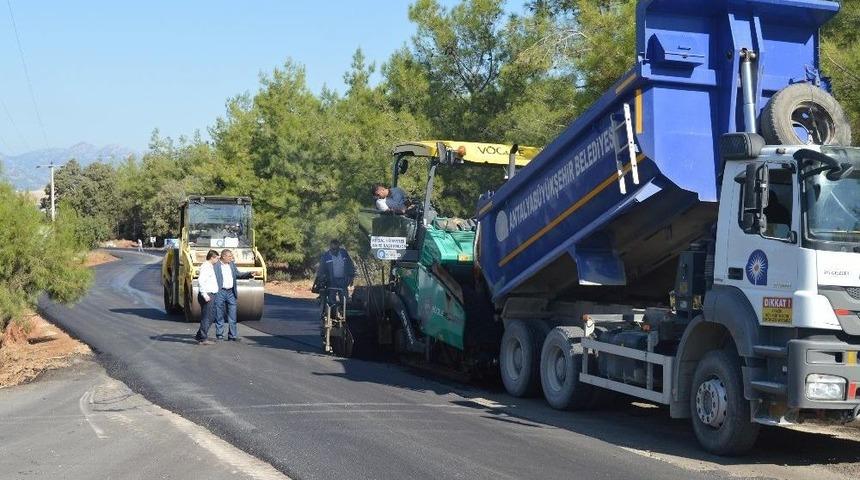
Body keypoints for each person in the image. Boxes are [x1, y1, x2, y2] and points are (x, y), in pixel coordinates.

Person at [213, 249, 255, 341]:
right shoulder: (216, 265)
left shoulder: (231, 265)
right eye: (230, 256)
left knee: (232, 315)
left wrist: (249, 274)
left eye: (231, 257)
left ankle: (232, 336)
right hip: (220, 292)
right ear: (223, 256)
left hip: (231, 292)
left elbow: (237, 274)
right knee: (219, 314)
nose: (231, 258)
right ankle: (219, 335)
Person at [312, 239, 355, 315]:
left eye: (336, 249)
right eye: (333, 249)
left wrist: (351, 276)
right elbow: (321, 269)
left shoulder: (344, 253)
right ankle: (332, 314)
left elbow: (350, 265)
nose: (334, 250)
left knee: (344, 299)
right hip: (331, 281)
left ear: (339, 247)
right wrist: (320, 281)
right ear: (330, 247)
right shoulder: (326, 256)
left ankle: (343, 314)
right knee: (332, 300)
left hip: (343, 280)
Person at [194, 250, 221, 345]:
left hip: (211, 294)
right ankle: (203, 338)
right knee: (207, 317)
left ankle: (199, 335)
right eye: (217, 258)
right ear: (212, 257)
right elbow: (201, 281)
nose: (218, 260)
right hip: (207, 295)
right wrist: (205, 295)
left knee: (212, 316)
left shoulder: (210, 266)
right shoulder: (206, 267)